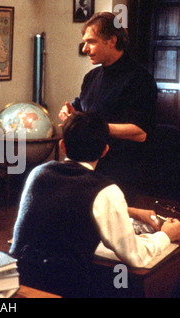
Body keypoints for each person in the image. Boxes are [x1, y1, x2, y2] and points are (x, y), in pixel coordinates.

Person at [9, 112, 180, 298]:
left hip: (19, 276)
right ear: (105, 151)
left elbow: (69, 203)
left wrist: (130, 212)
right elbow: (135, 256)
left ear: (62, 146)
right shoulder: (106, 190)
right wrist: (166, 235)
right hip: (61, 286)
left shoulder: (38, 173)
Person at [58, 12, 158, 204]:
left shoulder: (140, 79)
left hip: (120, 171)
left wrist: (91, 127)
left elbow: (140, 132)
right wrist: (72, 113)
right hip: (87, 166)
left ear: (112, 41)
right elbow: (81, 106)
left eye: (91, 42)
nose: (85, 48)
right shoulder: (91, 77)